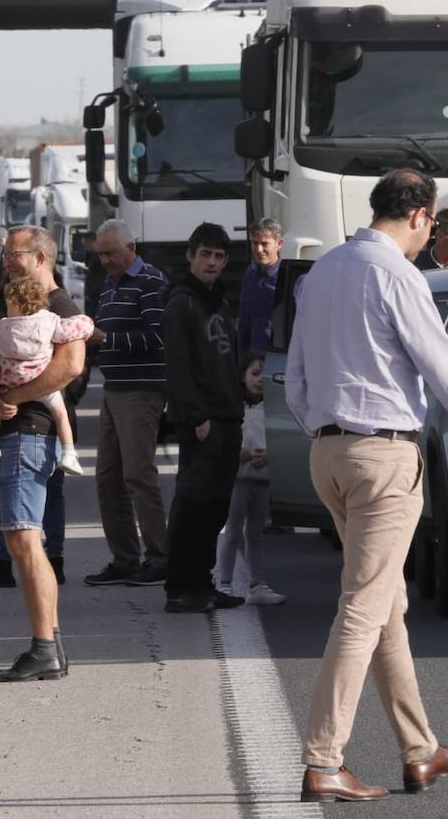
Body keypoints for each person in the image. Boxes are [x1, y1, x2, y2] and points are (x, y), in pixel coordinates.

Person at [286, 169, 448, 803]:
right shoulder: (396, 274)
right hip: (382, 455)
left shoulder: (321, 272)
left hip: (328, 452)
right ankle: (324, 761)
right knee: (363, 610)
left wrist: (323, 430)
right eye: (431, 227)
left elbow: (296, 375)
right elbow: (443, 364)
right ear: (420, 217)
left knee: (386, 607)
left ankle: (420, 751)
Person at [0, 225, 86, 682]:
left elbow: (70, 367)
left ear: (41, 258)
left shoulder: (58, 306)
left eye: (13, 254)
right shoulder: (12, 302)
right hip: (18, 434)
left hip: (30, 435)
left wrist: (14, 397)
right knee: (24, 540)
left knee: (23, 538)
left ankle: (43, 647)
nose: (5, 260)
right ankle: (51, 645)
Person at [161, 222, 246, 614]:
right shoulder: (182, 302)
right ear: (190, 256)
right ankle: (180, 586)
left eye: (219, 256)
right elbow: (178, 365)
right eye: (206, 254)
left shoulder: (219, 301)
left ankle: (202, 581)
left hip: (228, 415)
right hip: (202, 419)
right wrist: (196, 416)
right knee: (192, 503)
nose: (212, 262)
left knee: (216, 507)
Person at [84, 219, 172, 588]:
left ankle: (160, 558)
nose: (105, 261)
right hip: (114, 389)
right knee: (107, 478)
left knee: (138, 475)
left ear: (130, 248)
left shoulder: (150, 282)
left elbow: (157, 335)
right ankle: (125, 559)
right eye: (101, 255)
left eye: (111, 253)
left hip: (141, 390)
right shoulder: (109, 284)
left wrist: (107, 339)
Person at [0, 276, 92, 480]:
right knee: (61, 414)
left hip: (9, 383)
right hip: (42, 384)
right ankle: (69, 453)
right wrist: (87, 323)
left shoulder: (2, 329)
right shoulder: (49, 321)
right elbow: (73, 330)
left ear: (14, 303)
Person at [214, 350, 285, 606]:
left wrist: (271, 456)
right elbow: (222, 440)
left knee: (255, 533)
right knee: (232, 531)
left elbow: (283, 441)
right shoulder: (235, 407)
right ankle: (224, 584)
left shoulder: (275, 409)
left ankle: (257, 585)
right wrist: (239, 453)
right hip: (237, 480)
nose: (259, 380)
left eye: (264, 376)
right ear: (242, 376)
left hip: (262, 480)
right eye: (254, 374)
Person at [237, 218, 284, 354]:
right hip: (252, 360)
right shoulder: (249, 278)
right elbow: (243, 325)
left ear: (279, 244)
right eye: (254, 243)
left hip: (279, 360)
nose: (258, 249)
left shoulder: (288, 279)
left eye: (264, 244)